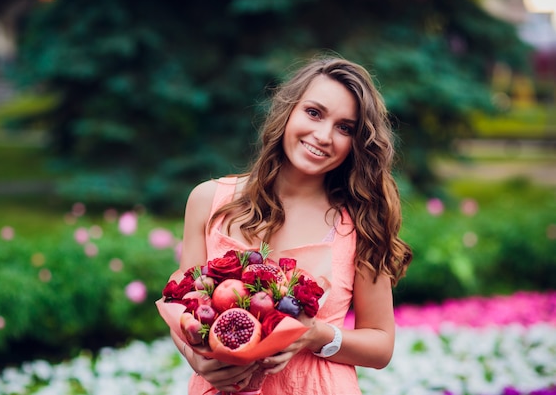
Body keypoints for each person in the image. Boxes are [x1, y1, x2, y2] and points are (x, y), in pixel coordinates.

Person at [171, 55, 413, 395]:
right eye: (313, 113)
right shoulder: (208, 201)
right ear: (287, 111)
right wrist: (197, 359)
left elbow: (381, 344)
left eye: (345, 128)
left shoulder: (360, 223)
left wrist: (317, 336)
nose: (324, 135)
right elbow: (182, 310)